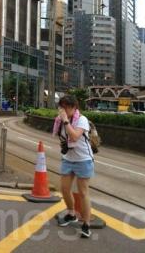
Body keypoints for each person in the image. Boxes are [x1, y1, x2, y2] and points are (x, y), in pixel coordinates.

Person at [55, 95, 94, 238]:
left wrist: (65, 120)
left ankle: (86, 224)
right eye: (61, 107)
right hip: (68, 159)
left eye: (66, 107)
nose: (63, 110)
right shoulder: (60, 121)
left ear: (74, 107)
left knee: (83, 192)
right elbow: (61, 138)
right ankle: (71, 214)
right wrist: (62, 121)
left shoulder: (82, 120)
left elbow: (75, 137)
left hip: (83, 160)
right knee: (64, 189)